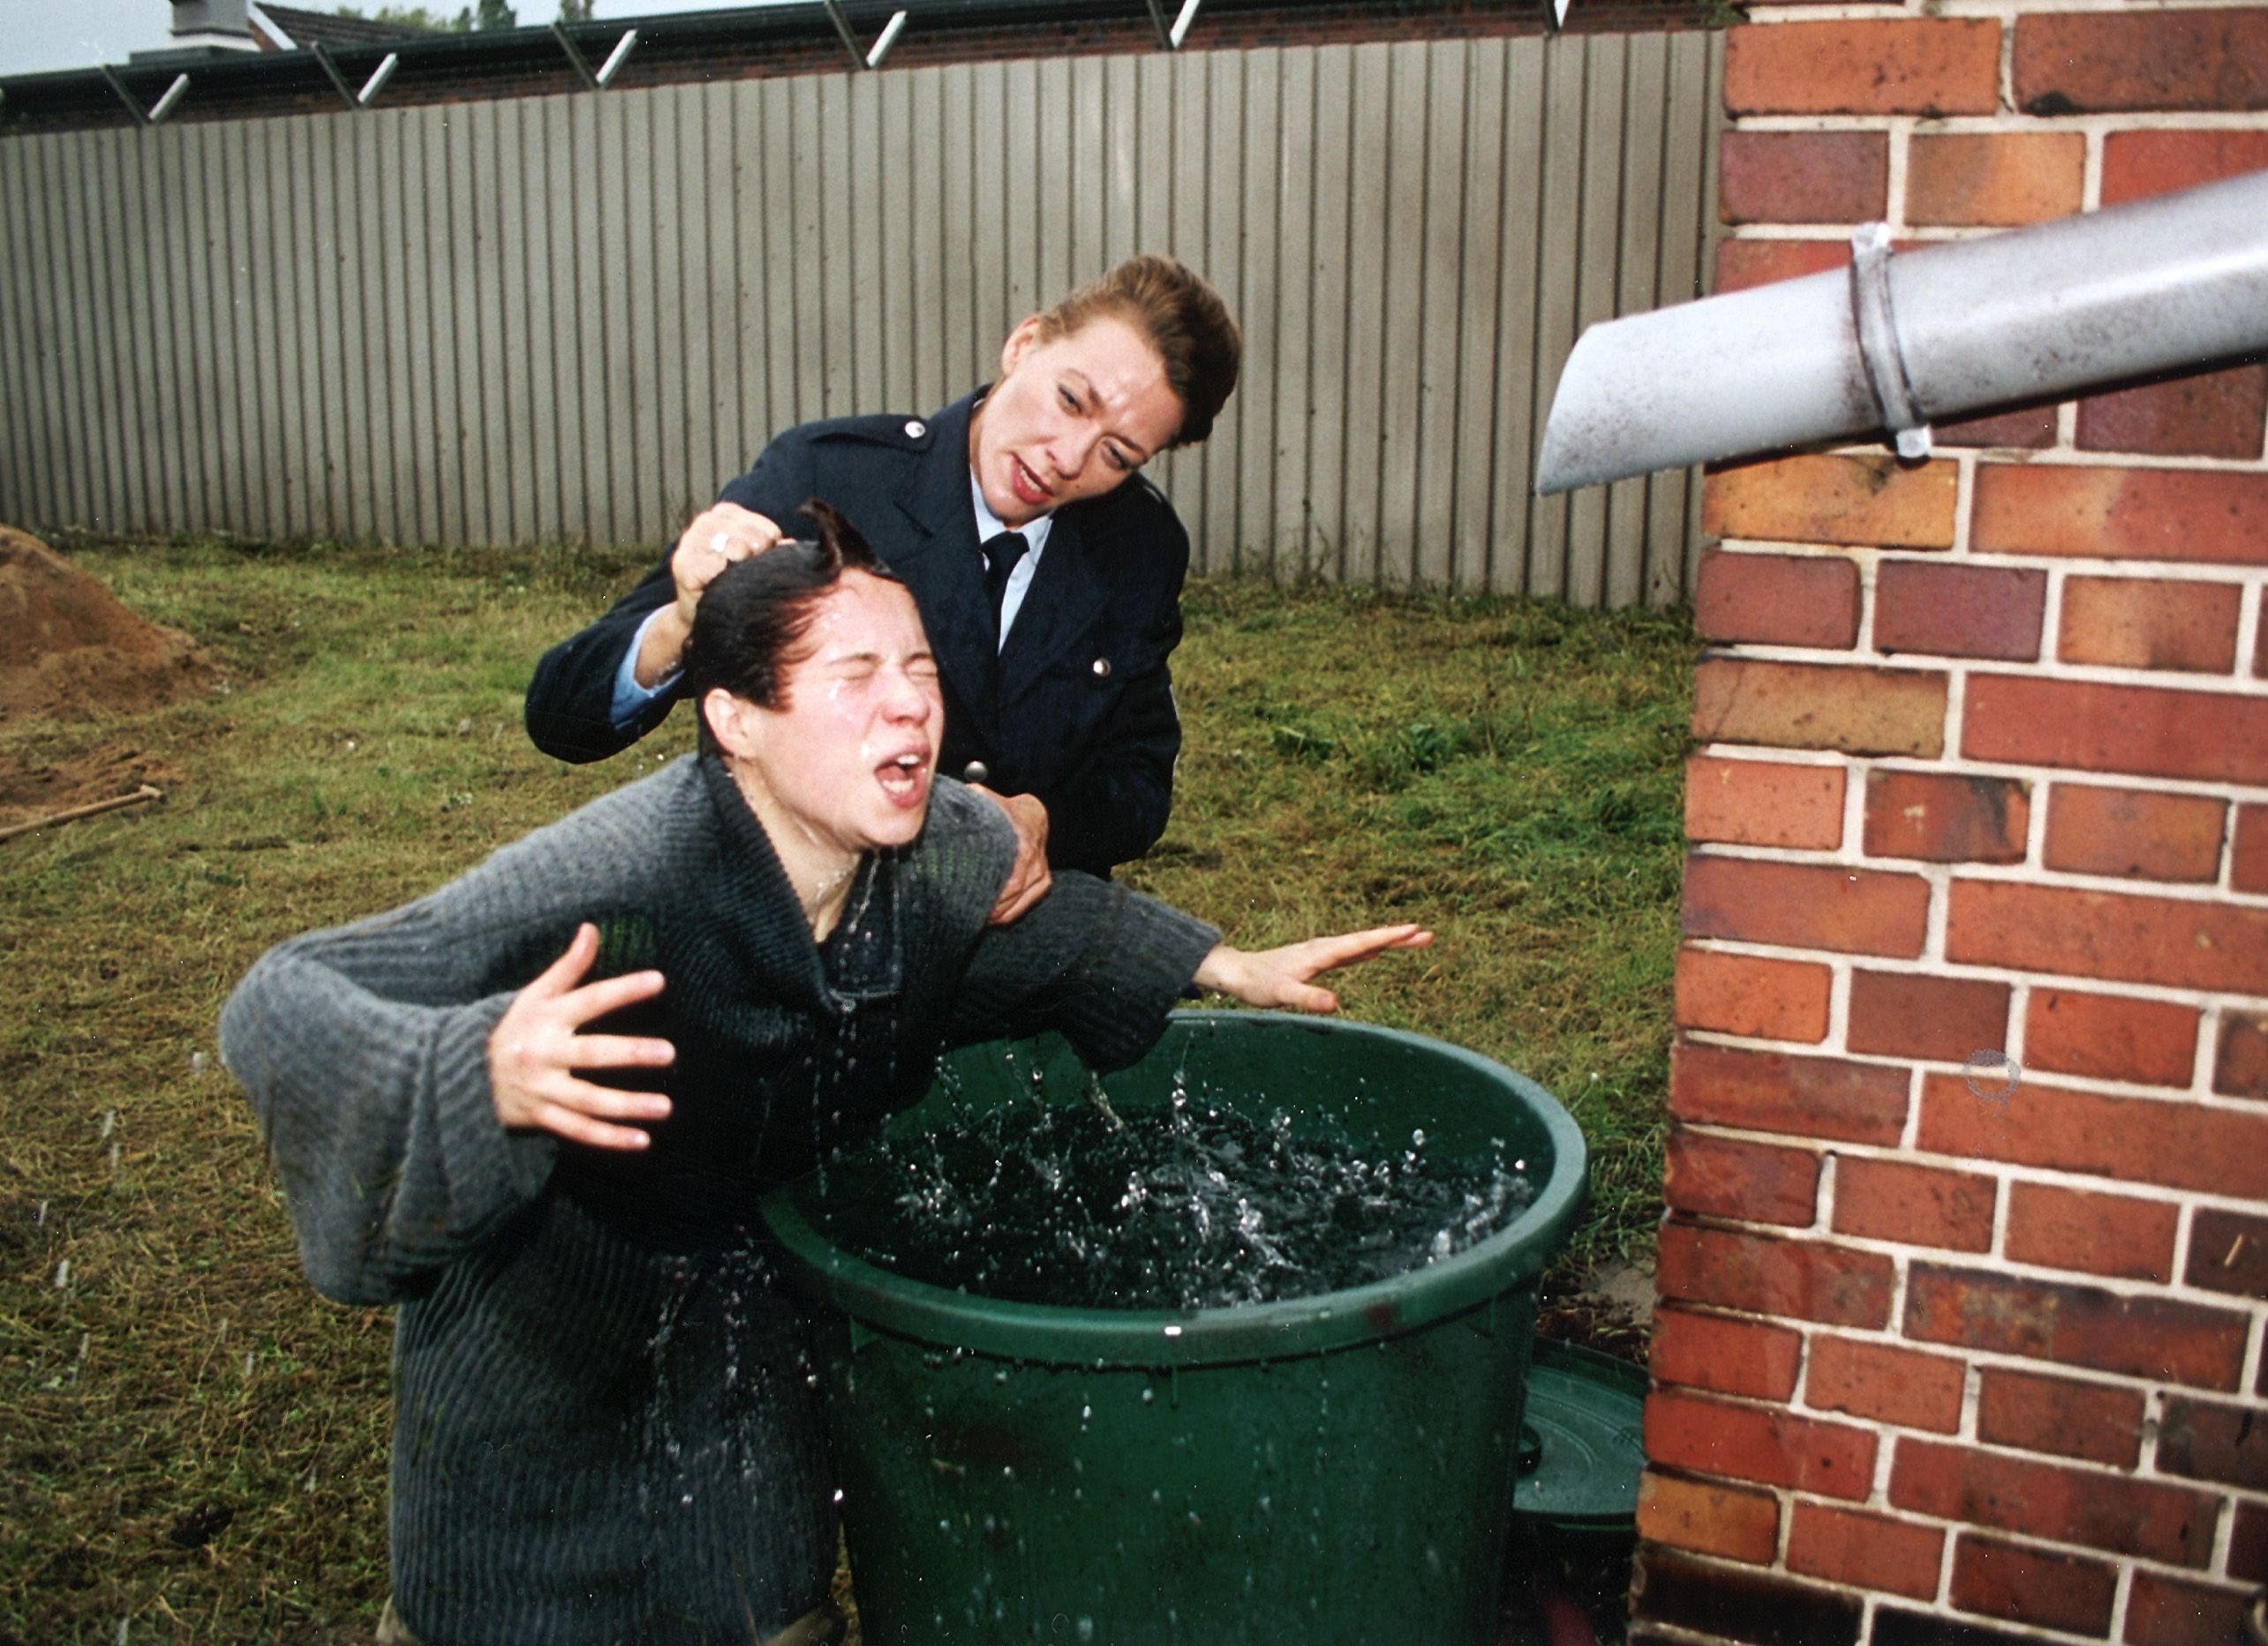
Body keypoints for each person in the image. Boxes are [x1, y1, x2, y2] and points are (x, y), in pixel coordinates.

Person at [222, 502, 1428, 1646]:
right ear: (734, 719)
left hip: (746, 1306)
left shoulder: (941, 839)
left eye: (920, 673)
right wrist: (474, 1067)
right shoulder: (613, 872)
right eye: (854, 680)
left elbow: (1026, 937)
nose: (907, 712)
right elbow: (286, 998)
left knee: (762, 1603)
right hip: (538, 1326)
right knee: (509, 1609)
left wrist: (1226, 964)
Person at [524, 253, 1241, 923]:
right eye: (1069, 400)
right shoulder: (827, 480)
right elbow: (563, 713)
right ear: (1024, 343)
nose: (1067, 458)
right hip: (811, 952)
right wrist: (681, 623)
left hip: (1017, 961)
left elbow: (1138, 782)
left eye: (1117, 455)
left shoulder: (1137, 548)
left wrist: (1042, 819)